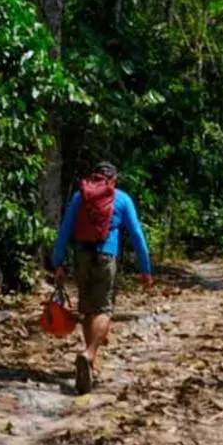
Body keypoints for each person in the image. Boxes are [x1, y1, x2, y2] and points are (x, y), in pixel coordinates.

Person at [50, 162, 151, 395]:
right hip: (107, 256)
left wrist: (58, 263)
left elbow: (64, 230)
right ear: (113, 180)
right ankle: (90, 353)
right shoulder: (122, 198)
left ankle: (91, 366)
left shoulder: (80, 196)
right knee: (103, 309)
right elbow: (136, 234)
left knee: (88, 309)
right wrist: (144, 268)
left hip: (82, 256)